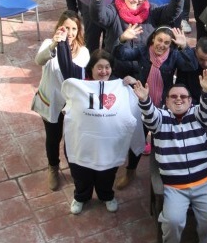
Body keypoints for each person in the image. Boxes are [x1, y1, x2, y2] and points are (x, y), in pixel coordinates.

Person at [133, 71, 207, 243]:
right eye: (173, 96)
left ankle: (205, 242)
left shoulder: (198, 115)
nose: (179, 99)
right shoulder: (160, 119)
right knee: (173, 221)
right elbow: (150, 115)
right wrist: (144, 100)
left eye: (183, 96)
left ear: (191, 101)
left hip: (205, 183)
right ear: (166, 102)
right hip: (175, 187)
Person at [58, 40, 145, 215]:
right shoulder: (79, 85)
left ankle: (106, 196)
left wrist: (134, 83)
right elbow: (66, 72)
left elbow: (139, 102)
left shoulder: (120, 87)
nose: (104, 71)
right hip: (82, 142)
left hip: (109, 144)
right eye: (100, 67)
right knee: (81, 174)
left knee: (107, 174)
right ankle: (81, 197)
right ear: (91, 68)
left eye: (107, 67)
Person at [112, 25, 198, 187]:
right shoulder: (143, 52)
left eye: (166, 42)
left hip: (163, 106)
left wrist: (185, 46)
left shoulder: (173, 56)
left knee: (164, 141)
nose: (162, 45)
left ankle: (163, 174)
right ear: (153, 39)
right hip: (142, 103)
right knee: (138, 138)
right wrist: (123, 39)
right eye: (160, 40)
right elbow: (120, 54)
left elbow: (191, 66)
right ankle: (131, 171)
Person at [32, 11, 90, 191]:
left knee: (72, 138)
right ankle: (53, 168)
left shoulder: (83, 52)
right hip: (51, 101)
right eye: (66, 28)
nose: (70, 33)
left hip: (71, 103)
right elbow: (38, 60)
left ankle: (76, 168)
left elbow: (71, 72)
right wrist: (55, 45)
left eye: (74, 29)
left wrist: (64, 48)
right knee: (53, 137)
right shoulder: (50, 44)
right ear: (59, 28)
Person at [88, 0, 184, 54]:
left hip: (143, 66)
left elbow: (171, 13)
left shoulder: (151, 10)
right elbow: (99, 16)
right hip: (117, 66)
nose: (136, 1)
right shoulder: (114, 10)